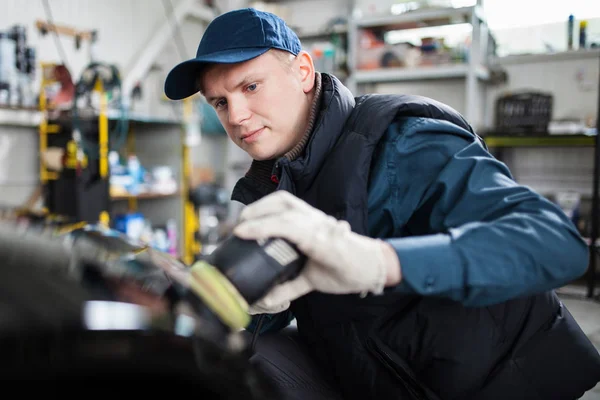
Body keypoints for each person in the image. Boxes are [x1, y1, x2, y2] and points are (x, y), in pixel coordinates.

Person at [164, 8, 600, 400]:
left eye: (251, 86)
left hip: (502, 381)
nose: (236, 116)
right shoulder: (274, 183)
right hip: (391, 376)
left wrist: (380, 261)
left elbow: (557, 243)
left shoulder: (402, 142)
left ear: (302, 71)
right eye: (220, 102)